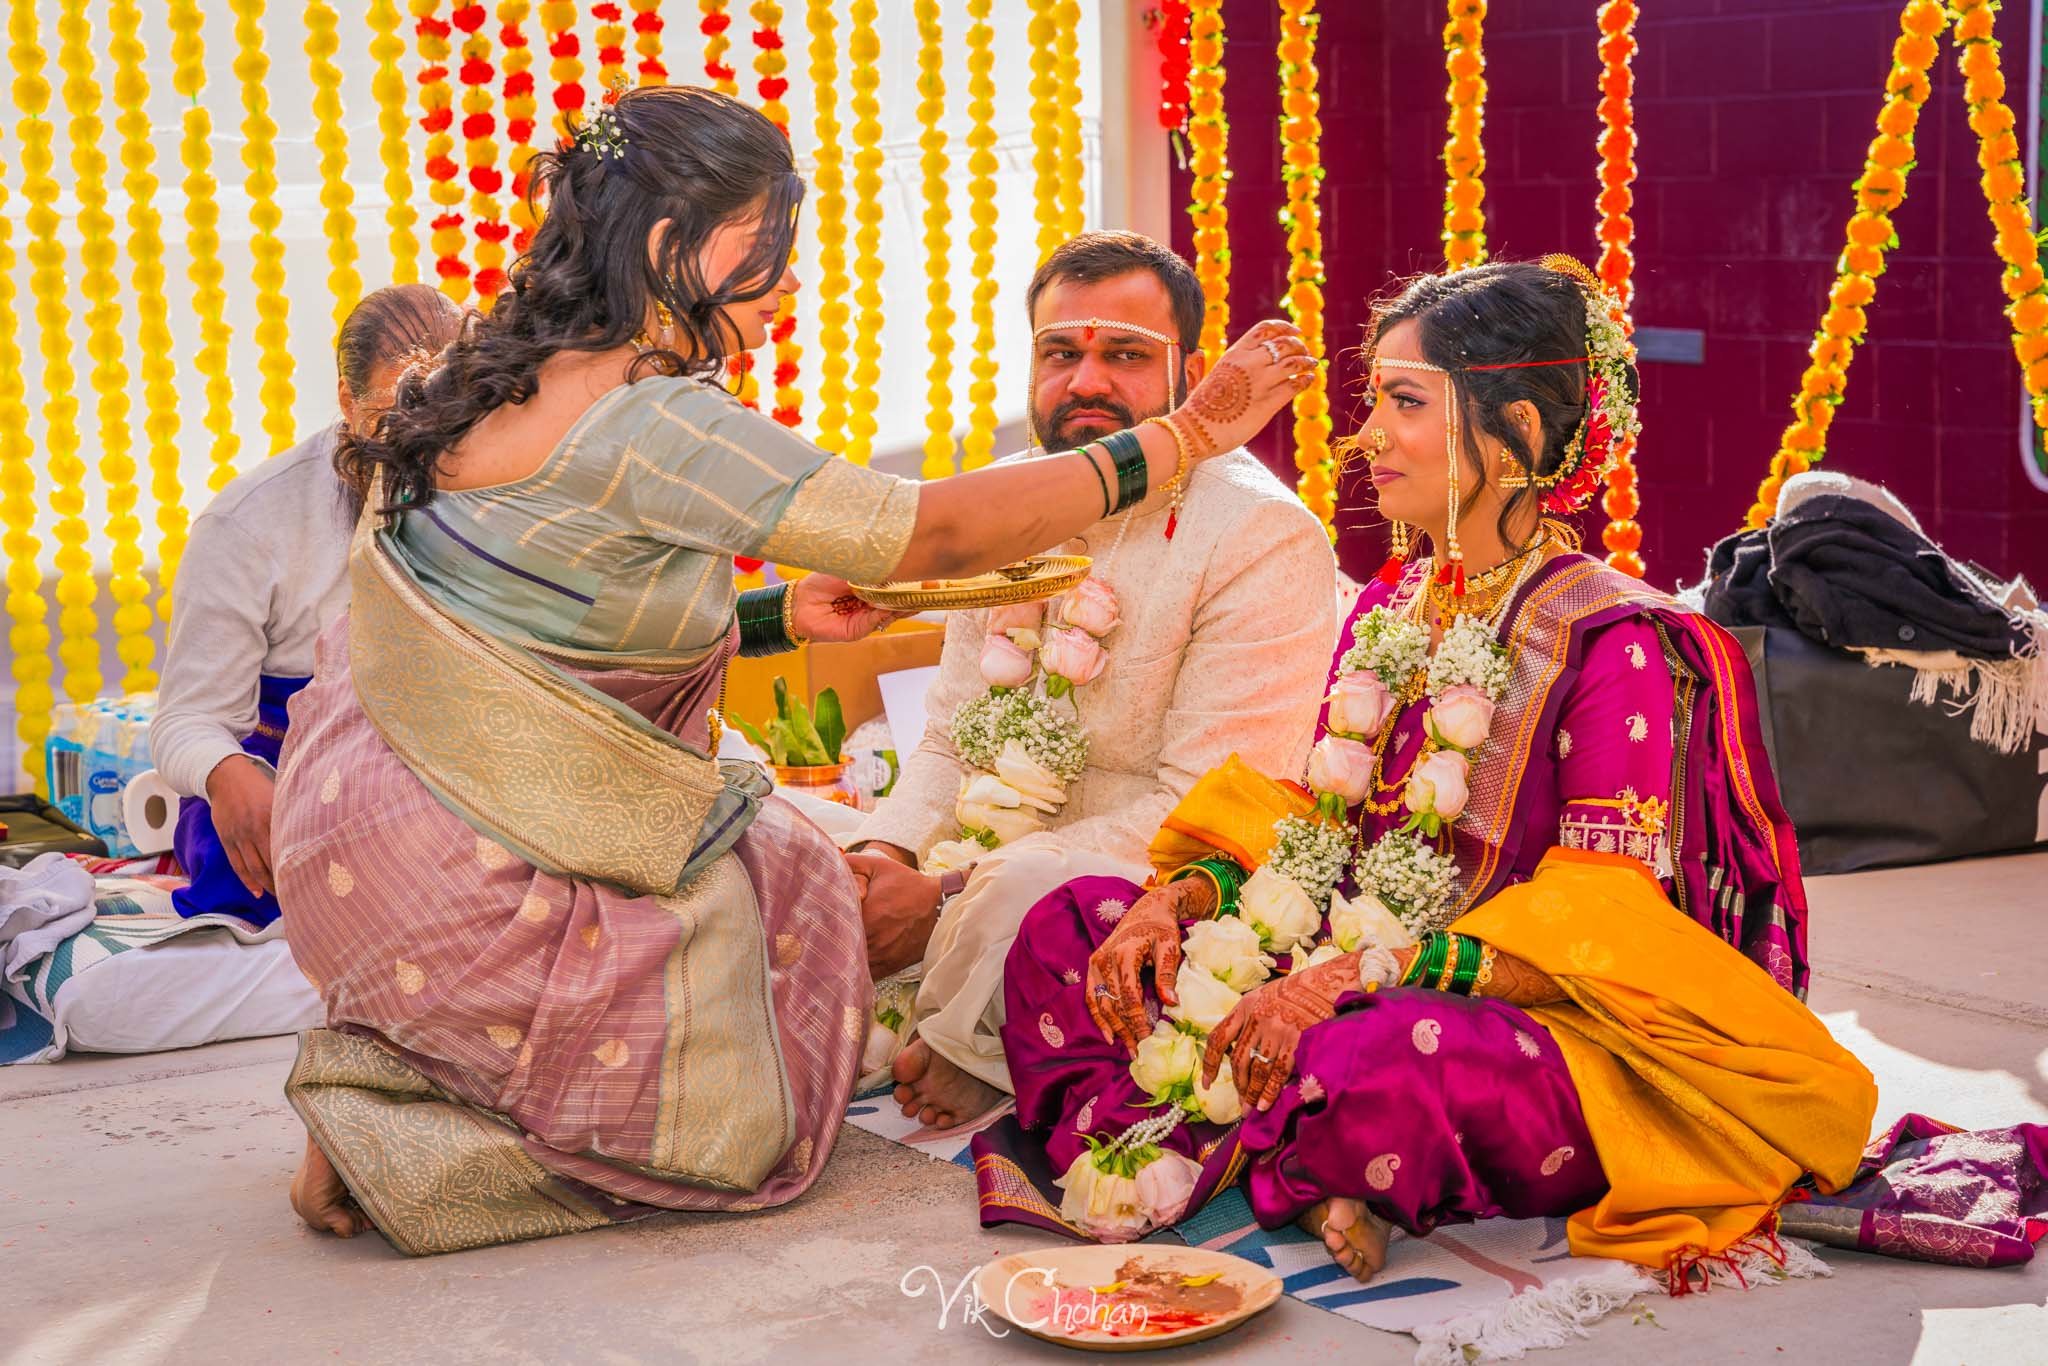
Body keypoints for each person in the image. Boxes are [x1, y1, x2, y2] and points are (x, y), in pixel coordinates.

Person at [272, 85, 1317, 1255]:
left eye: (1128, 358)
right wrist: (1186, 433)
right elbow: (929, 534)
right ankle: (414, 1148)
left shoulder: (488, 371)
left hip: (366, 835)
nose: (786, 287)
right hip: (495, 859)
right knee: (758, 1066)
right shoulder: (653, 416)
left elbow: (552, 590)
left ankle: (414, 1073)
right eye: (766, 248)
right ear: (672, 245)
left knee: (787, 853)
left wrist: (769, 619)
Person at [976, 259, 2047, 1290]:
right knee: (1069, 928)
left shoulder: (1615, 641)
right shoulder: (1391, 600)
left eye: (1401, 402)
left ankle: (1232, 1139)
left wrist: (1357, 977)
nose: (1365, 436)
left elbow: (1600, 925)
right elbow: (1319, 830)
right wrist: (1187, 894)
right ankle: (1289, 1165)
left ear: (1517, 433)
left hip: (1526, 1015)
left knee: (1375, 1066)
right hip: (1330, 952)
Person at [841, 231, 1336, 1130]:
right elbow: (951, 733)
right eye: (1061, 353)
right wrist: (888, 859)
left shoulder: (1258, 535)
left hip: (1136, 887)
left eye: (1127, 356)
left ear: (1191, 375)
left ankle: (983, 1034)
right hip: (992, 859)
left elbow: (1205, 810)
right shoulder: (1008, 501)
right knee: (783, 830)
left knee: (1022, 881)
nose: (1087, 382)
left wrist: (951, 895)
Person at [153, 285, 465, 925]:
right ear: (347, 401)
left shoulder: (493, 484)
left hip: (443, 768)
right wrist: (226, 774)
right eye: (395, 413)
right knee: (267, 871)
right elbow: (185, 720)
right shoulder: (248, 522)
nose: (419, 442)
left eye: (449, 413)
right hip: (286, 775)